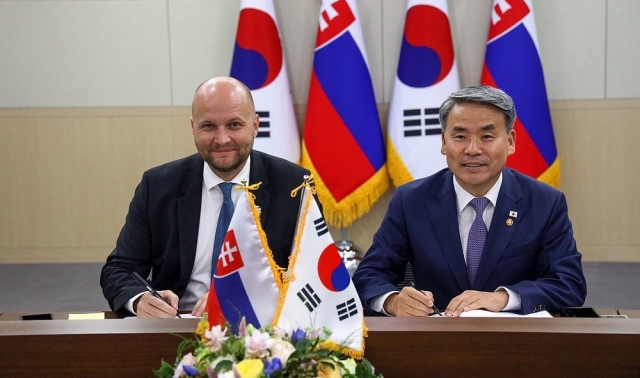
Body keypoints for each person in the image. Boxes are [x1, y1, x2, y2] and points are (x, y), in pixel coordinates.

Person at [353, 85, 586, 317]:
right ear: (444, 142)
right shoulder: (412, 200)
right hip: (434, 341)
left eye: (486, 136)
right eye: (460, 137)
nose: (473, 149)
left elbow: (569, 283)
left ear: (510, 141)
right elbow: (369, 274)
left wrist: (504, 298)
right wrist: (392, 302)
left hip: (516, 342)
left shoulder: (544, 203)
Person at [101, 76, 312, 318]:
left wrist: (239, 295)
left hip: (263, 327)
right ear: (193, 127)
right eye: (209, 126)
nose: (221, 139)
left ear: (255, 125)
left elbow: (312, 276)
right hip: (179, 326)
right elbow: (119, 269)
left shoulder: (295, 185)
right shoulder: (158, 186)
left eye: (234, 124)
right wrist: (140, 300)